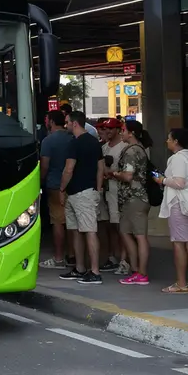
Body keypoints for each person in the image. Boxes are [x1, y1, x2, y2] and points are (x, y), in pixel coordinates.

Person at [58, 111, 105, 285]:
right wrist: (98, 189)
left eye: (67, 122)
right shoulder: (94, 142)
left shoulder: (74, 144)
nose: (65, 125)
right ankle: (80, 268)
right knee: (79, 230)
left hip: (78, 193)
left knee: (87, 231)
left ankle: (94, 271)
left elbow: (68, 169)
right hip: (88, 191)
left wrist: (61, 189)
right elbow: (100, 168)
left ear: (74, 124)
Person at [154, 128, 188, 294]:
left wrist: (162, 180)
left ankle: (181, 282)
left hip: (179, 204)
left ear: (175, 141)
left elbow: (180, 182)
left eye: (169, 138)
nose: (167, 141)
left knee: (179, 244)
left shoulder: (178, 158)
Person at [112, 120, 153, 285]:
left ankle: (141, 272)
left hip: (134, 198)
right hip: (134, 198)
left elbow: (128, 176)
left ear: (132, 133)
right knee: (127, 233)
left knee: (139, 236)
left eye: (123, 130)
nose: (121, 133)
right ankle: (136, 270)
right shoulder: (141, 149)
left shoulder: (131, 151)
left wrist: (115, 173)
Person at [39, 110, 76, 270]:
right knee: (71, 222)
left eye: (47, 119)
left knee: (58, 223)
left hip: (54, 185)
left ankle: (59, 258)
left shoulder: (48, 141)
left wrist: (39, 182)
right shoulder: (72, 138)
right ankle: (72, 255)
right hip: (73, 185)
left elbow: (44, 166)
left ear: (52, 122)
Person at [100, 118, 129, 275]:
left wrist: (112, 174)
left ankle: (125, 260)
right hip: (106, 191)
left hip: (119, 192)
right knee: (110, 226)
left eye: (111, 128)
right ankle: (112, 257)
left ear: (118, 129)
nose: (108, 131)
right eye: (106, 129)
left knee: (121, 227)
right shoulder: (104, 147)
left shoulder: (124, 148)